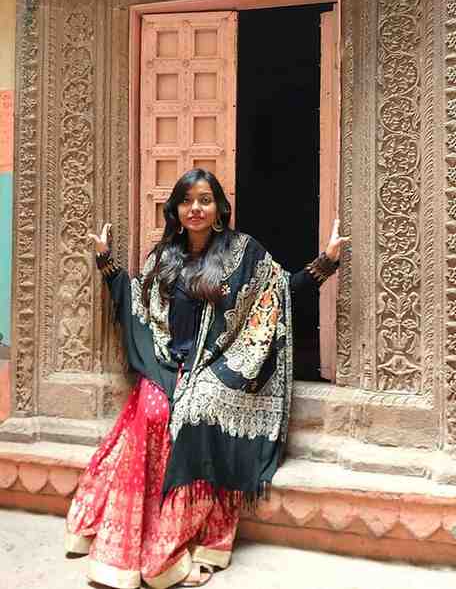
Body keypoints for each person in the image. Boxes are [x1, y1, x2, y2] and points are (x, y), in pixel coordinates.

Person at [65, 169, 348, 589]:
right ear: (175, 210)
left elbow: (282, 291)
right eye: (186, 201)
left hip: (221, 366)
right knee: (155, 411)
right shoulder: (163, 257)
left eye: (204, 200)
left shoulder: (243, 251)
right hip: (168, 364)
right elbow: (137, 301)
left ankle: (176, 545)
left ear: (219, 208)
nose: (195, 208)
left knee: (193, 415)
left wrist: (327, 261)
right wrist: (106, 262)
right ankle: (132, 536)